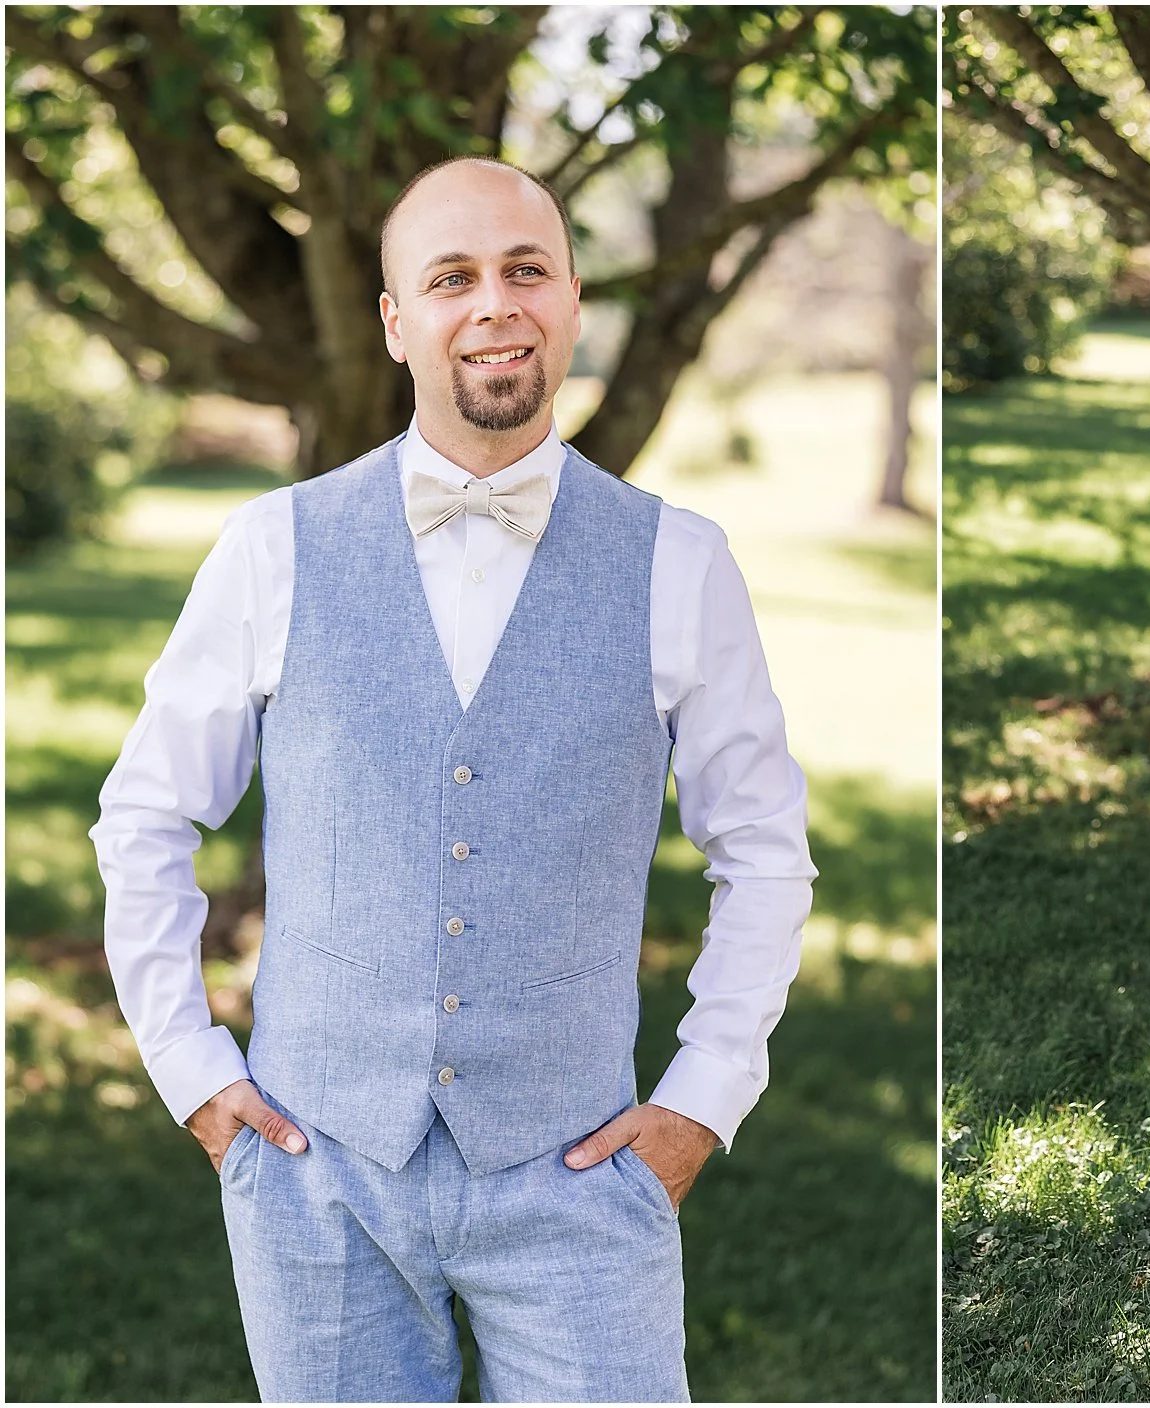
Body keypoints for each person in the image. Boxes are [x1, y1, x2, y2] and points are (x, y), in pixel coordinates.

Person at [90, 155, 815, 1402]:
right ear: (396, 321)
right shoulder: (274, 547)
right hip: (316, 1175)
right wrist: (196, 1076)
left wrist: (701, 1100)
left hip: (581, 1178)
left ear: (574, 299)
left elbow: (763, 852)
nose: (495, 304)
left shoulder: (680, 565)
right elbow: (146, 815)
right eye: (452, 278)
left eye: (526, 270)